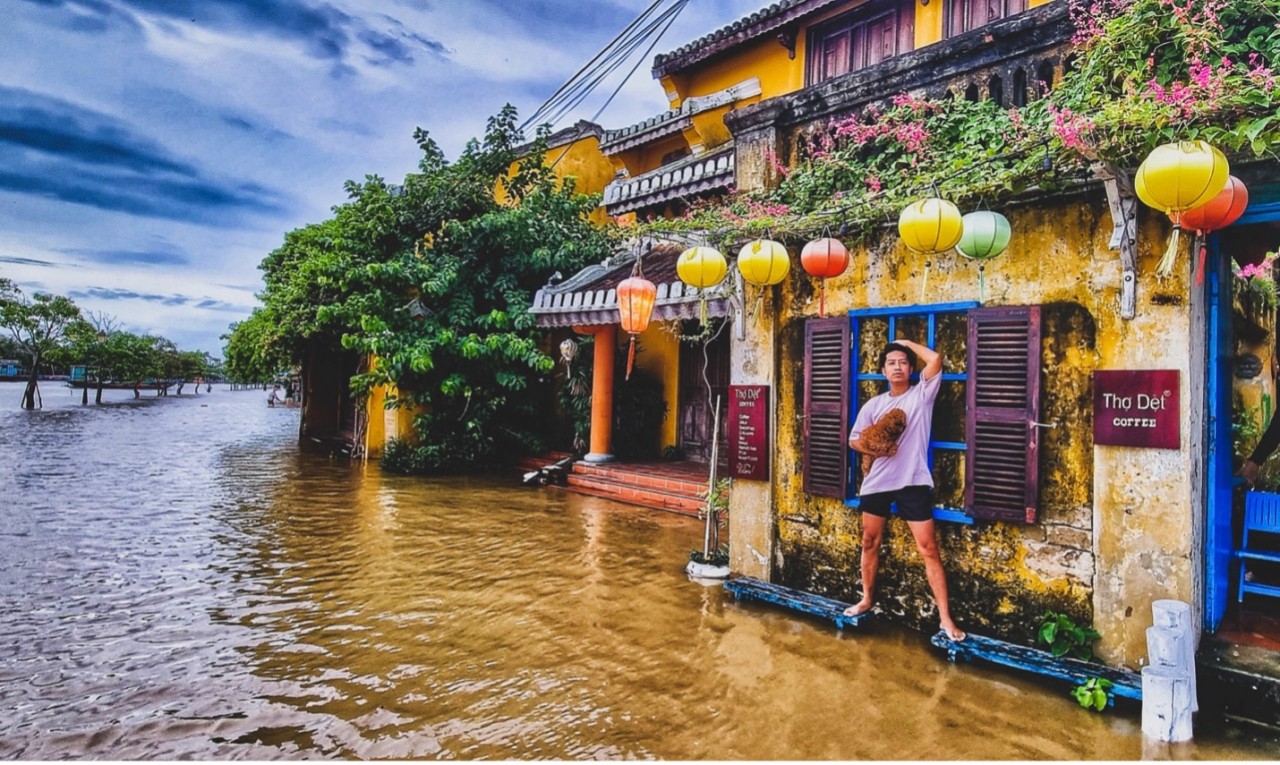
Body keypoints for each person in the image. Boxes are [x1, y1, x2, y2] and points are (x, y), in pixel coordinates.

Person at [844, 338, 965, 641]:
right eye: (891, 363)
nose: (897, 367)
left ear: (911, 368)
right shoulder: (874, 405)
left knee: (929, 549)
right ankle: (867, 599)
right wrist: (875, 447)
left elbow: (936, 359)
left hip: (913, 481)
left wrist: (906, 343)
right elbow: (853, 440)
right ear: (883, 371)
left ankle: (945, 619)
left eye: (902, 362)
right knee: (869, 542)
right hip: (877, 483)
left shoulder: (921, 395)